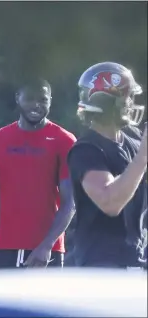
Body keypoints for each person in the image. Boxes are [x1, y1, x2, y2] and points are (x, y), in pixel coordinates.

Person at [0, 78, 76, 269]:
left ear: (50, 101)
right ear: (17, 98)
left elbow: (70, 201)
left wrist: (46, 245)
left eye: (43, 99)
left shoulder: (64, 140)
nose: (36, 105)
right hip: (5, 249)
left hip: (48, 253)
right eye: (29, 98)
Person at [67, 62, 147, 269]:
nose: (131, 103)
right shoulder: (86, 150)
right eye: (126, 97)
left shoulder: (133, 139)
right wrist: (142, 157)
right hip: (101, 265)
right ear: (108, 102)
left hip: (135, 258)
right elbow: (110, 202)